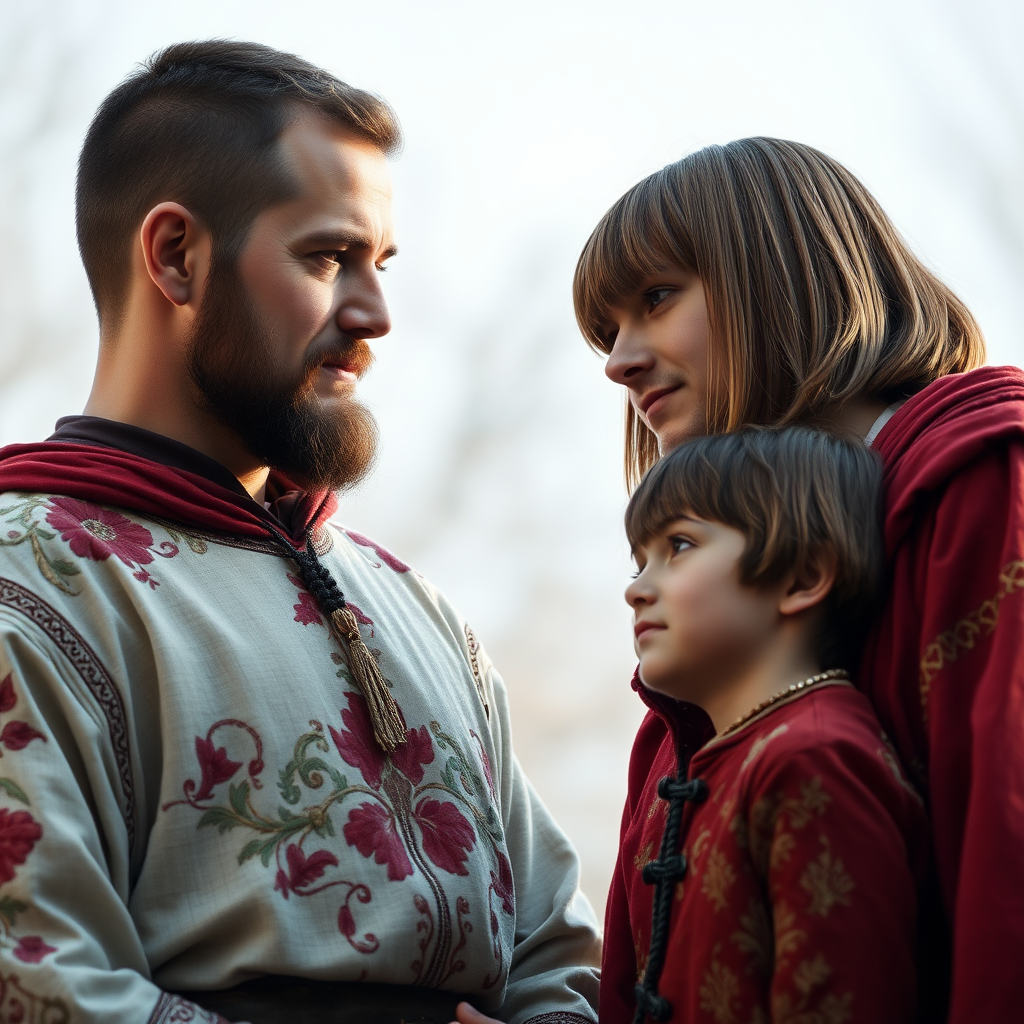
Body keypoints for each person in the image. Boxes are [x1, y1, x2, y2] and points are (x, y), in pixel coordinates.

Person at [0, 41, 600, 1024]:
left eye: (382, 263)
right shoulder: (23, 582)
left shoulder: (419, 607)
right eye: (328, 257)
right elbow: (39, 987)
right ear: (176, 256)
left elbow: (557, 958)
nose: (376, 314)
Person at [573, 137, 1024, 1022]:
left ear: (781, 272)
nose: (618, 362)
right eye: (607, 331)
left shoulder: (987, 481)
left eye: (656, 299)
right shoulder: (708, 658)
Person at [610, 425, 929, 1024]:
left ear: (804, 576)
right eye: (637, 564)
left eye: (678, 546)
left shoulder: (816, 756)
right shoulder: (731, 760)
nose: (637, 591)